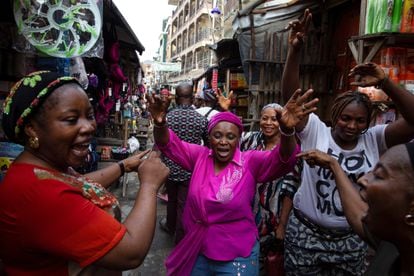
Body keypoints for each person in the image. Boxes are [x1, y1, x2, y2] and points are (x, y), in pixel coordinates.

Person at [282, 9, 414, 275]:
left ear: (369, 122)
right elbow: (291, 97)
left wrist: (386, 82)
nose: (352, 126)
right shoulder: (316, 131)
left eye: (360, 121)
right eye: (345, 119)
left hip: (351, 240)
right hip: (306, 233)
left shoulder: (376, 138)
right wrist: (295, 51)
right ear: (334, 116)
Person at [0, 71, 170, 275]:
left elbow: (76, 184)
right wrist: (150, 185)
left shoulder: (38, 168)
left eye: (89, 116)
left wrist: (123, 166)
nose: (89, 127)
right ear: (31, 129)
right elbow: (131, 252)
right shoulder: (41, 193)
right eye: (71, 119)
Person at [148, 86, 318, 275]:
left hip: (237, 254)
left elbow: (284, 159)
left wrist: (286, 131)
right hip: (198, 248)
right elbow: (169, 143)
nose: (223, 141)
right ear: (209, 138)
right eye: (217, 136)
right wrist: (160, 122)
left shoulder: (250, 162)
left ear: (238, 140)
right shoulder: (199, 156)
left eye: (230, 137)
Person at [298, 142, 414, 276]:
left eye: (379, 175)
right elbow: (358, 215)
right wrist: (333, 165)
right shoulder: (391, 246)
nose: (362, 180)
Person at [240, 103, 301, 275]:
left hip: (274, 215)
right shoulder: (249, 140)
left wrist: (282, 225)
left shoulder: (289, 147)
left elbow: (290, 188)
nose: (268, 123)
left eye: (274, 119)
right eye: (265, 118)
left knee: (269, 262)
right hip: (247, 211)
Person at [158, 82, 209, 245]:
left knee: (172, 200)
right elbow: (208, 146)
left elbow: (160, 142)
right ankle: (180, 239)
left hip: (170, 168)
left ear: (176, 98)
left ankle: (170, 226)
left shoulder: (168, 118)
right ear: (193, 98)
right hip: (190, 169)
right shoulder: (201, 119)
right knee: (184, 204)